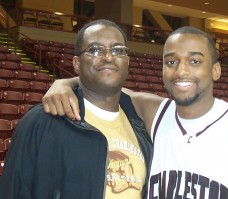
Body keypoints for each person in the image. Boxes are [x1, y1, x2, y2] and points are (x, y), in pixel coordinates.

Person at [42, 26, 228, 198]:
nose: (181, 71)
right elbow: (104, 85)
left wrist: (66, 83)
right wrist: (64, 83)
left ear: (216, 70)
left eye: (195, 61)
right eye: (171, 62)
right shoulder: (156, 114)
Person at [0, 19, 153, 199]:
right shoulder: (41, 121)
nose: (109, 57)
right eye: (95, 50)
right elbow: (14, 191)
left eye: (118, 50)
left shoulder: (142, 128)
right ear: (76, 63)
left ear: (127, 62)